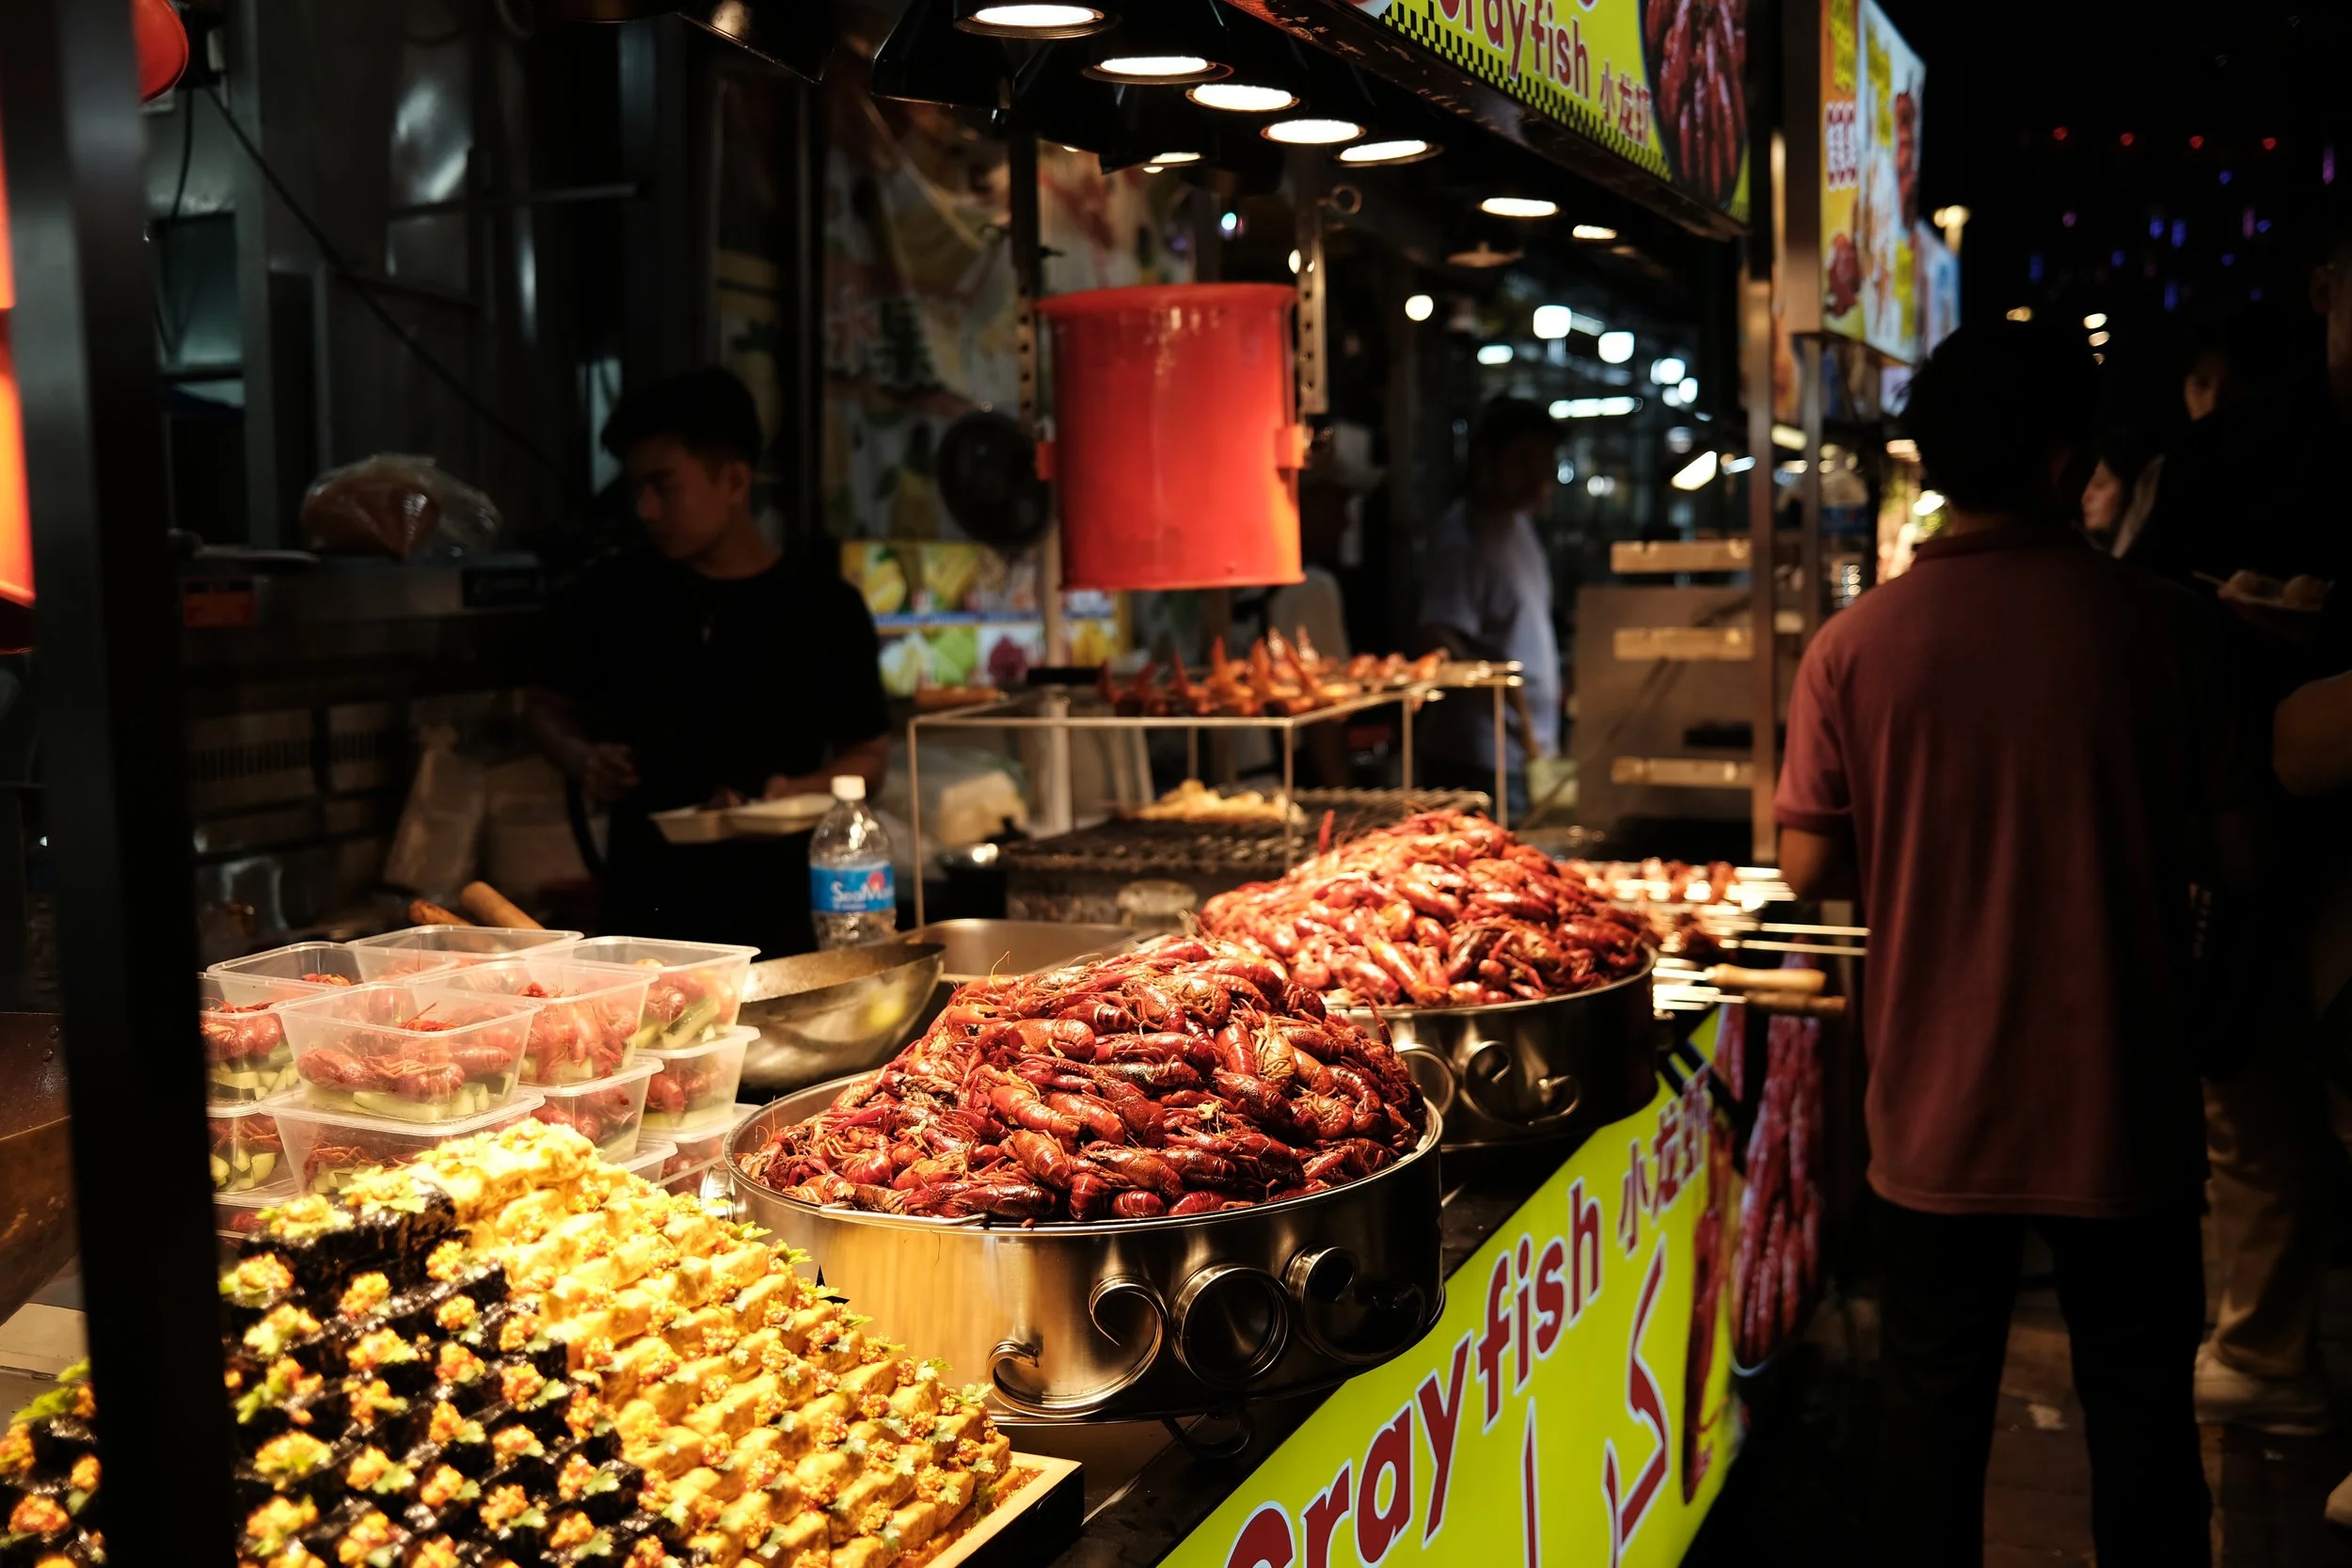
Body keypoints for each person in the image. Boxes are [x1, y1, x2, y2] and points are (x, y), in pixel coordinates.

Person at [1775, 322, 2251, 1567]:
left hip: (1935, 1111)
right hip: (2125, 1104)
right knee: (2144, 1431)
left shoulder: (1855, 646)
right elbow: (2244, 852)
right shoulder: (2166, 629)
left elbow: (1809, 863)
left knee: (1928, 1429)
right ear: (2062, 461)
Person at [527, 367, 891, 958]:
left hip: (782, 912)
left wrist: (794, 789)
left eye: (663, 486)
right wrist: (582, 758)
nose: (645, 508)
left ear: (734, 480)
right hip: (641, 910)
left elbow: (869, 755)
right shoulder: (614, 592)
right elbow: (543, 709)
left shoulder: (823, 605)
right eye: (636, 487)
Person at [1413, 398, 1561, 818]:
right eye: (1525, 461)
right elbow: (1436, 633)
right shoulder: (1462, 537)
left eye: (1545, 461)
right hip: (1479, 761)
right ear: (1485, 457)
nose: (1539, 476)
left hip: (1524, 757)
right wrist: (1504, 701)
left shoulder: (1519, 525)